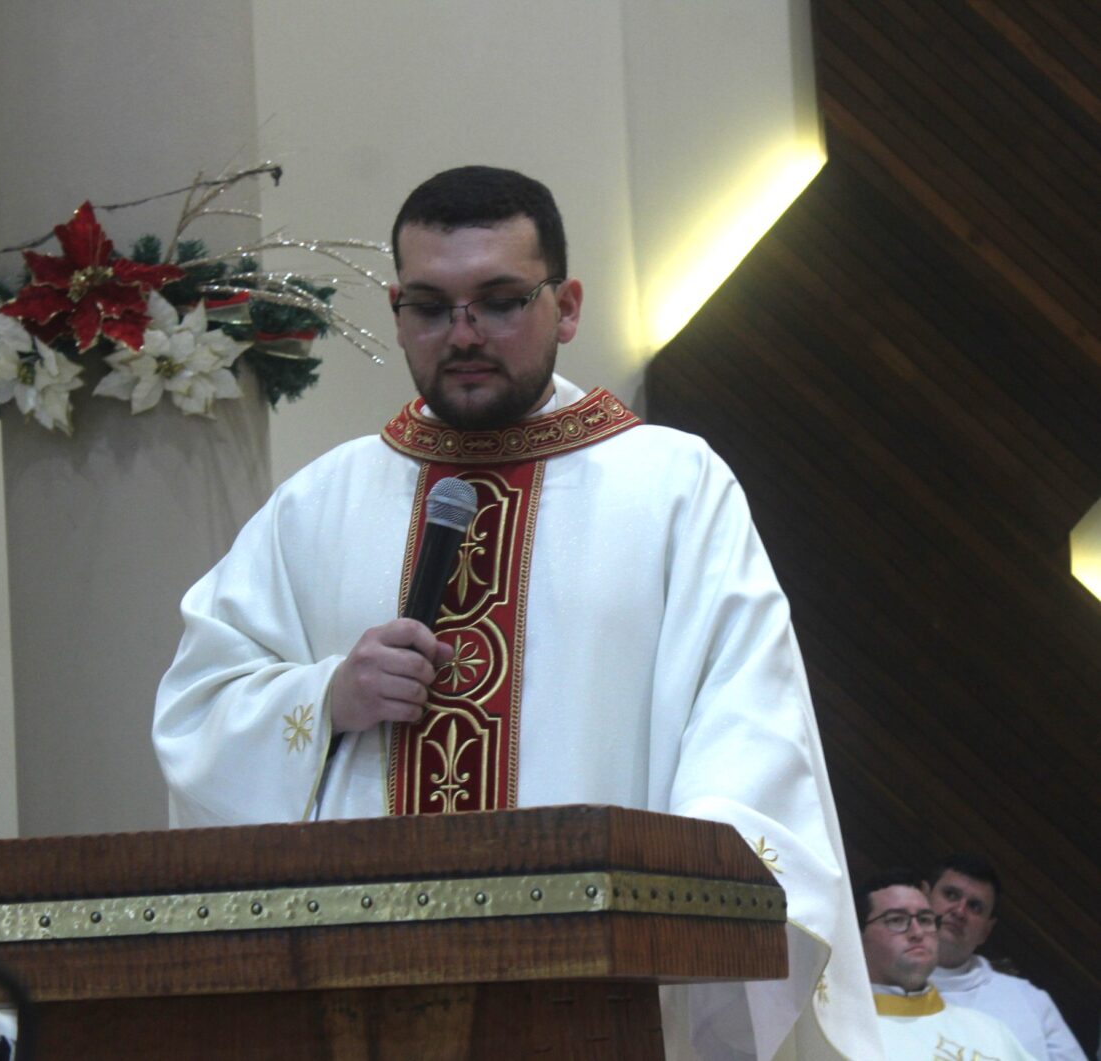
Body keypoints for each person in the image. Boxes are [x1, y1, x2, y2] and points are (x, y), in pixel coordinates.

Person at [154, 165, 883, 1060]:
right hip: (359, 1003)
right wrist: (327, 698)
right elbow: (198, 710)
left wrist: (682, 894)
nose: (463, 334)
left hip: (597, 998)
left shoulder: (672, 487)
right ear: (396, 311)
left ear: (566, 306)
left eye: (499, 301)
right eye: (430, 305)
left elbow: (748, 723)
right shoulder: (320, 503)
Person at [857, 869, 1037, 1060]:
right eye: (896, 920)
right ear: (857, 937)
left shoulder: (990, 1033)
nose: (917, 932)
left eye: (926, 920)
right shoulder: (835, 1029)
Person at [924, 853, 1087, 1061]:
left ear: (986, 930)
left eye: (975, 907)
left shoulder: (1030, 1001)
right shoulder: (876, 980)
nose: (959, 911)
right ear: (923, 897)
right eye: (951, 895)